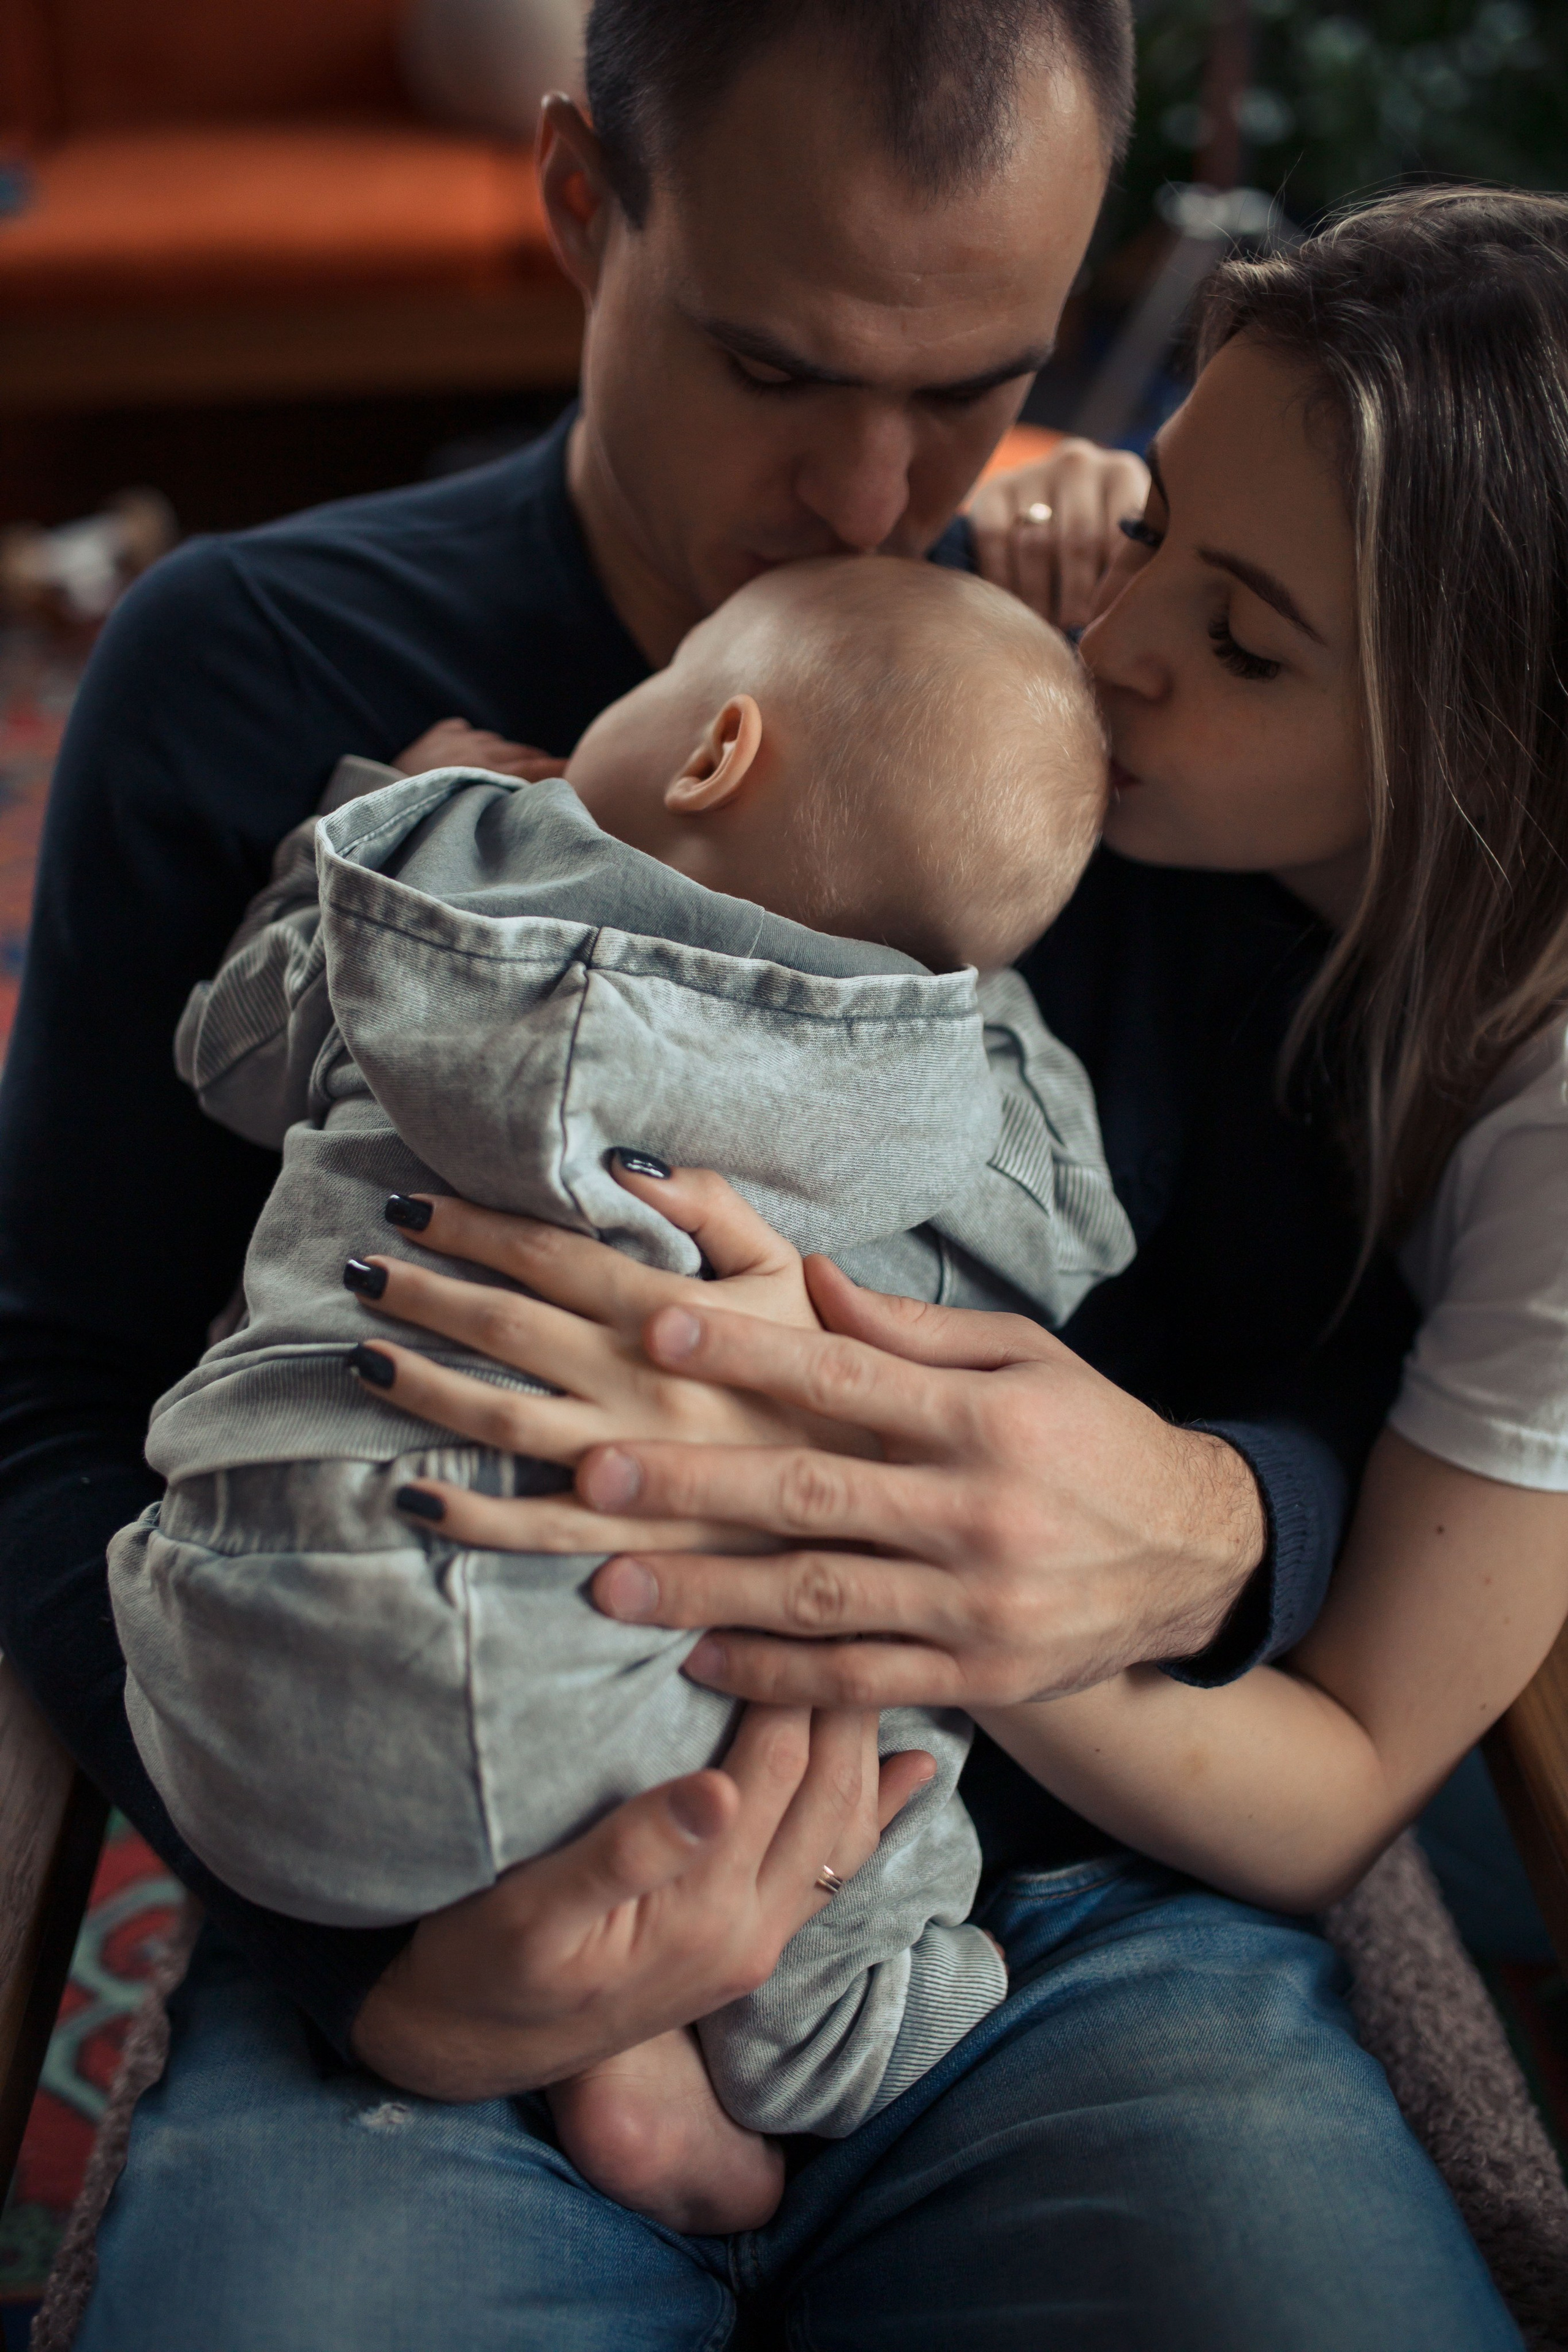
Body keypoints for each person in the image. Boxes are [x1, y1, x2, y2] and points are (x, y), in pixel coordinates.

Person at [0, 1, 1511, 2344]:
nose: (873, 492)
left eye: (980, 380)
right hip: (432, 1915)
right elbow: (49, 1396)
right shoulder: (258, 668)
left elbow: (1339, 1373)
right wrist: (394, 1972)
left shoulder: (1136, 714)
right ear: (583, 203)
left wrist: (1211, 1520)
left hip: (1029, 1912)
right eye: (779, 369)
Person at [109, 558, 1125, 2230]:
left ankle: (595, 2025)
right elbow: (1067, 1246)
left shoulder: (433, 879)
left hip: (264, 1677)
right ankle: (813, 2033)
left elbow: (226, 1054)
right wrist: (987, 1008)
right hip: (650, 1717)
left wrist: (367, 810)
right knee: (869, 1629)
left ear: (716, 748)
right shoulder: (942, 1087)